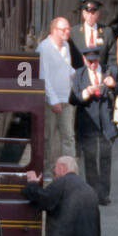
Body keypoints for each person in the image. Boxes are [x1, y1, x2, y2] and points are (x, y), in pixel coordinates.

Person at [72, 45, 118, 205]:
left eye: (95, 61)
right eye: (90, 61)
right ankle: (94, 193)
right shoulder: (79, 74)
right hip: (88, 122)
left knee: (105, 158)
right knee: (90, 160)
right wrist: (86, 93)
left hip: (106, 122)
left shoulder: (109, 70)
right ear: (85, 60)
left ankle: (104, 194)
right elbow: (73, 98)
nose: (93, 64)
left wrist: (114, 85)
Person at [37, 16, 75, 171]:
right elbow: (43, 75)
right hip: (50, 101)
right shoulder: (44, 48)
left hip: (67, 98)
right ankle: (47, 169)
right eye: (63, 29)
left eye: (68, 29)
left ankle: (70, 169)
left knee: (69, 137)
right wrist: (53, 100)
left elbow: (67, 68)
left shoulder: (66, 45)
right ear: (54, 30)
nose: (67, 32)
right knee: (48, 138)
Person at [70, 0, 114, 68]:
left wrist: (108, 74)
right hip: (80, 73)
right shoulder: (73, 32)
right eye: (87, 13)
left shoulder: (107, 32)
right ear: (83, 13)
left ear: (98, 14)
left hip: (101, 71)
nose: (90, 16)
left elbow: (112, 57)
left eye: (93, 13)